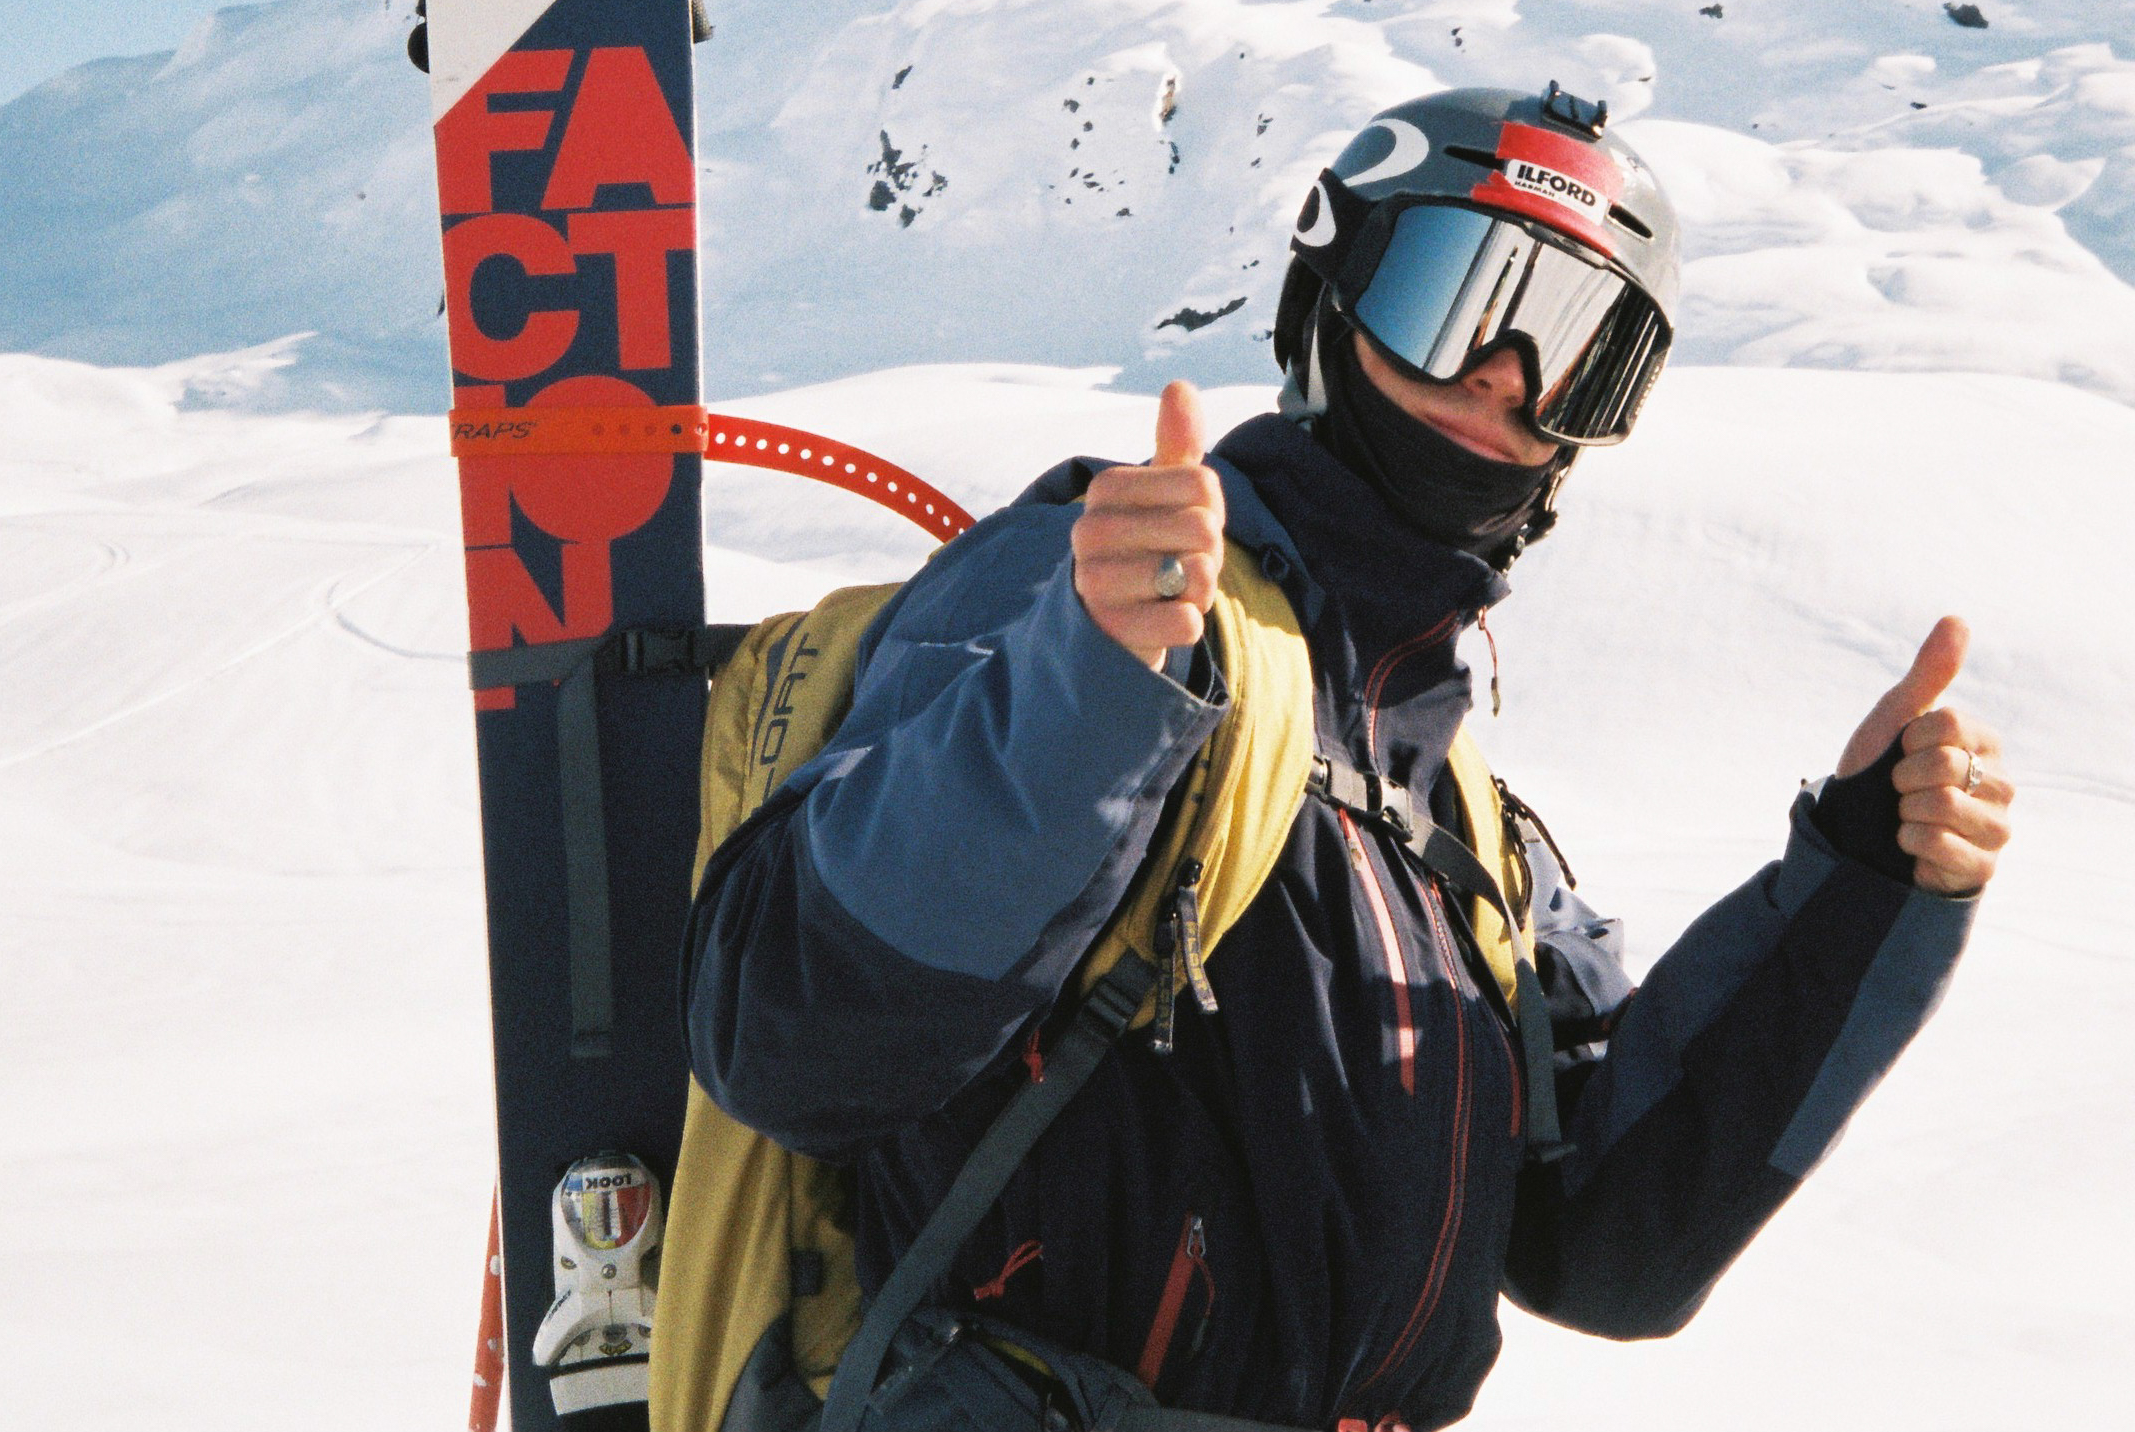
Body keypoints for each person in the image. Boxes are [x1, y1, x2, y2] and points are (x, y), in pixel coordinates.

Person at [685, 83, 2011, 1431]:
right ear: (1325, 302)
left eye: (1576, 351)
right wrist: (1083, 691)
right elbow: (788, 1037)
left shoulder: (1462, 827)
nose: (1503, 372)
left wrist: (1862, 885)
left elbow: (1612, 1244)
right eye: (1452, 295)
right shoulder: (1098, 596)